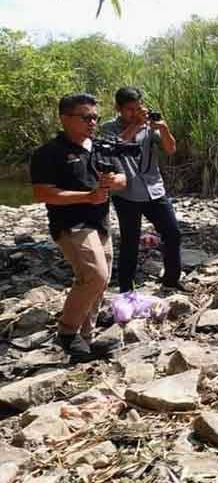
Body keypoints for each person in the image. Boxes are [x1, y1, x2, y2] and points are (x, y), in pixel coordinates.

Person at [30, 93, 126, 360]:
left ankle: (85, 339)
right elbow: (42, 193)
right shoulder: (49, 153)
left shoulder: (100, 147)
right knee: (95, 275)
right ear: (65, 118)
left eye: (95, 117)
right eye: (86, 117)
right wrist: (87, 196)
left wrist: (112, 182)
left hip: (100, 222)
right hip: (71, 224)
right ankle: (67, 332)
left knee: (99, 281)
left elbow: (123, 179)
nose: (92, 122)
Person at [100, 87, 186, 293]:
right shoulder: (108, 127)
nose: (135, 113)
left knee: (172, 233)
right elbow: (114, 147)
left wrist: (163, 128)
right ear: (118, 108)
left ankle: (171, 280)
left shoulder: (148, 126)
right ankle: (126, 289)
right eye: (130, 109)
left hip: (154, 189)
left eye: (138, 108)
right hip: (127, 193)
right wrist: (136, 125)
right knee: (129, 241)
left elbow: (171, 149)